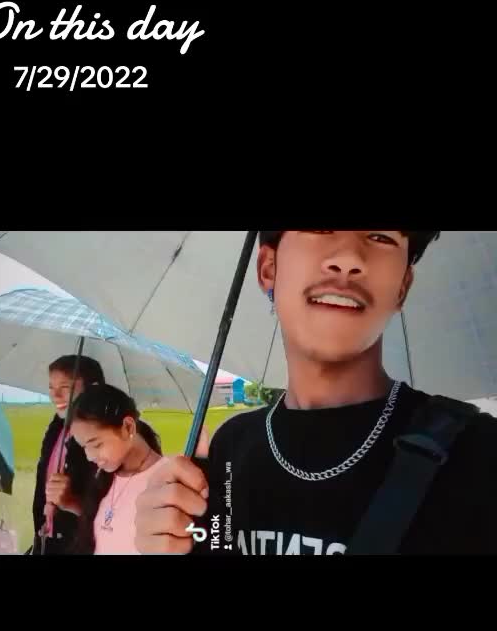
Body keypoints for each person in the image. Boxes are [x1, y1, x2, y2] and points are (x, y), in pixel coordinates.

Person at [135, 229, 497, 558]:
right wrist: (172, 542)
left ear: (402, 286)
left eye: (382, 236)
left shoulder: (476, 454)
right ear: (268, 268)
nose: (350, 258)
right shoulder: (230, 446)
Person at [69, 384, 166, 555]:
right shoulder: (104, 478)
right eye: (84, 447)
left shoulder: (166, 482)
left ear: (128, 427)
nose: (89, 456)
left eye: (96, 445)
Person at [31, 355, 106, 555]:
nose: (55, 395)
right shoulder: (56, 429)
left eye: (65, 387)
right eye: (51, 387)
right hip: (47, 542)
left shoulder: (103, 440)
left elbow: (110, 512)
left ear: (92, 389)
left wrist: (72, 502)